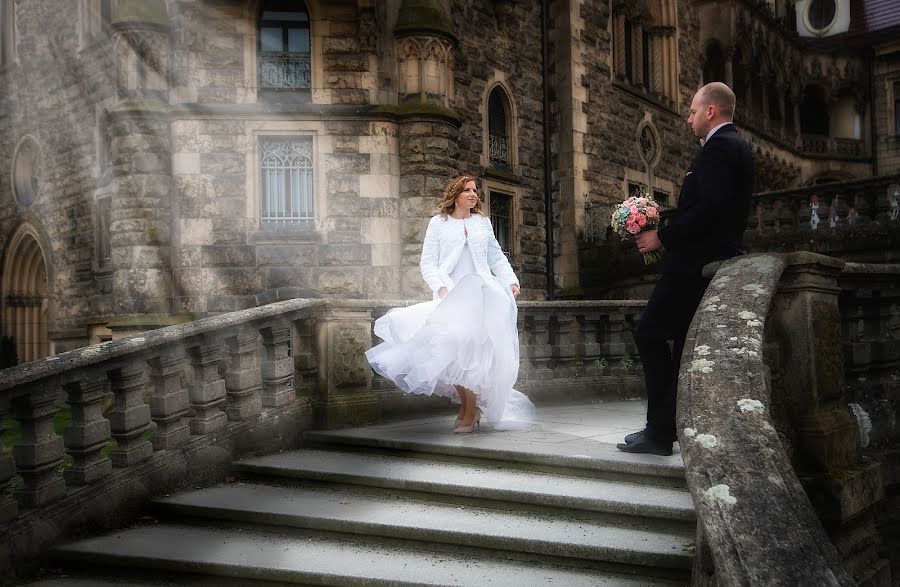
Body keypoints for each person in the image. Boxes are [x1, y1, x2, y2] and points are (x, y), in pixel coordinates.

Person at [617, 82, 754, 456]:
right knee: (675, 346)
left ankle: (660, 431)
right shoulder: (732, 146)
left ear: (711, 110)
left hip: (693, 265)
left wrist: (662, 237)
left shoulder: (720, 148)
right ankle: (660, 429)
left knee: (648, 334)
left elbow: (709, 210)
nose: (688, 117)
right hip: (702, 260)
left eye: (693, 110)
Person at [366, 175, 535, 433]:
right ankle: (469, 408)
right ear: (455, 195)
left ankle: (471, 410)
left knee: (473, 352)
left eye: (475, 191)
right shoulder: (438, 224)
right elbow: (428, 262)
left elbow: (496, 256)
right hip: (451, 293)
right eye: (467, 190)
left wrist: (510, 280)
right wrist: (440, 287)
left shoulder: (482, 223)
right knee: (451, 351)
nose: (473, 194)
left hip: (481, 293)